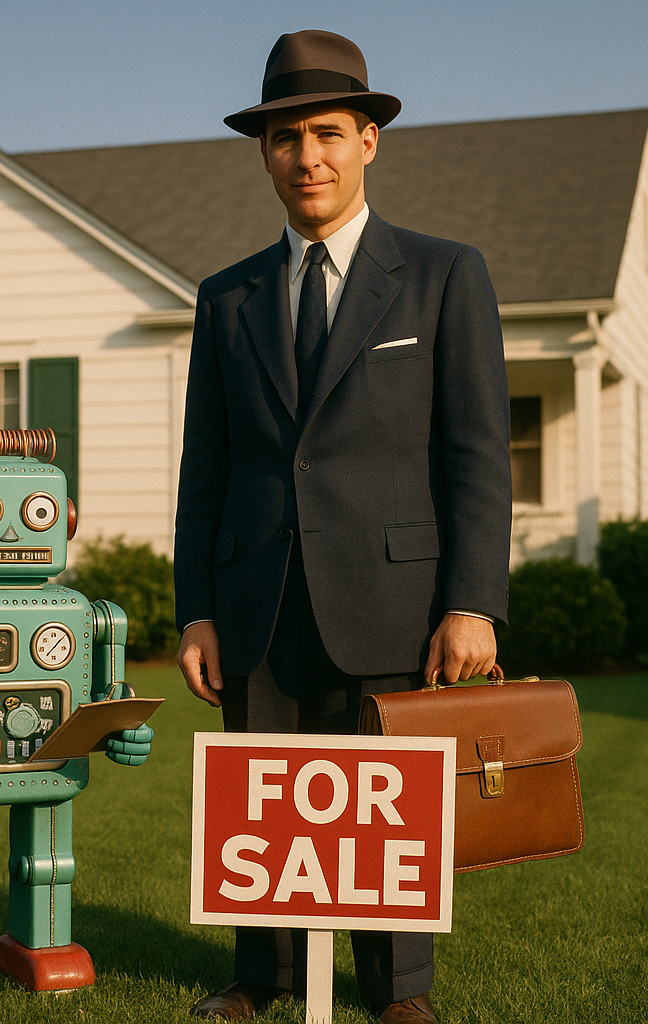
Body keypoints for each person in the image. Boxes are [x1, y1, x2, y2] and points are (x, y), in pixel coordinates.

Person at [174, 29, 512, 1024]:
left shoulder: (445, 276)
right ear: (264, 153)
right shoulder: (224, 297)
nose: (305, 156)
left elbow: (476, 455)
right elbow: (207, 466)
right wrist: (194, 607)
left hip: (396, 594)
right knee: (265, 793)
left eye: (326, 132)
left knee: (382, 795)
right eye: (284, 138)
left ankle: (396, 990)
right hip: (255, 593)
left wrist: (471, 601)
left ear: (369, 139)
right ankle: (260, 975)